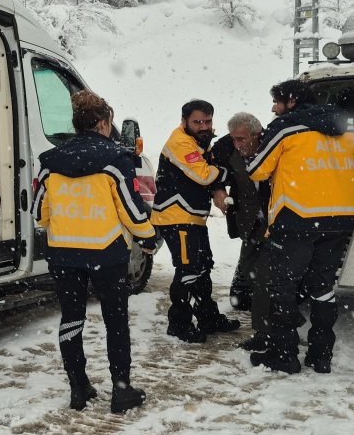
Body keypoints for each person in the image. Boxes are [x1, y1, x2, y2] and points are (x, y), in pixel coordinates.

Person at [34, 91, 155, 414]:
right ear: (104, 123)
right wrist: (148, 237)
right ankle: (121, 390)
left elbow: (39, 214)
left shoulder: (51, 161)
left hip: (63, 253)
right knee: (115, 321)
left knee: (71, 319)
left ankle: (79, 387)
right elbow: (131, 210)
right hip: (106, 253)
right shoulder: (116, 160)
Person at [247, 79, 354, 374]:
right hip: (340, 221)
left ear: (291, 102)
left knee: (284, 290)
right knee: (323, 289)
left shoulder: (285, 128)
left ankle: (284, 356)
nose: (273, 108)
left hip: (296, 220)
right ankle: (321, 355)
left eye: (277, 102)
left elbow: (257, 170)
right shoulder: (346, 130)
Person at [151, 99, 240, 343]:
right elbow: (204, 174)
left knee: (203, 267)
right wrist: (229, 173)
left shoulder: (200, 143)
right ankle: (179, 324)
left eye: (207, 121)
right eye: (197, 122)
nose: (203, 126)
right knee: (188, 270)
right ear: (184, 122)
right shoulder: (180, 142)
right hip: (175, 217)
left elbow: (208, 171)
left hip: (193, 217)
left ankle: (207, 317)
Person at [208, 112, 271, 352]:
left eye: (242, 139)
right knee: (250, 273)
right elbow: (213, 168)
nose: (238, 144)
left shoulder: (273, 142)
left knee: (268, 279)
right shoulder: (226, 146)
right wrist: (217, 191)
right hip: (248, 221)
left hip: (274, 221)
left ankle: (269, 332)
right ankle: (271, 327)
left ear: (257, 135)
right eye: (234, 139)